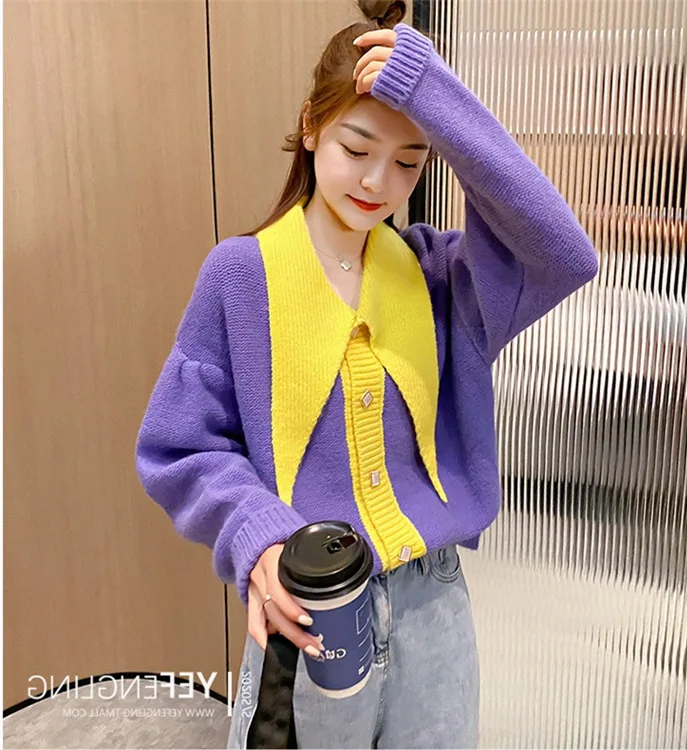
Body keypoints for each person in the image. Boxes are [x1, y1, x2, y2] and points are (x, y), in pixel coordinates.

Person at [135, 1, 599, 747]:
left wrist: (439, 101)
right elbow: (180, 446)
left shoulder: (440, 278)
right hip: (311, 610)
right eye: (356, 147)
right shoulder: (241, 277)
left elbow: (564, 253)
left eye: (410, 161)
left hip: (433, 610)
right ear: (311, 127)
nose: (378, 181)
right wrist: (257, 533)